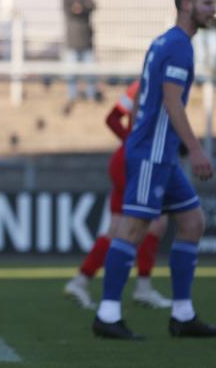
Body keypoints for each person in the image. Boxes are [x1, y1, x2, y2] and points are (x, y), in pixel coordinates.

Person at [92, 0, 216, 340]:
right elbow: (171, 101)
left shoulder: (165, 41)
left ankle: (182, 315)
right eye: (208, 3)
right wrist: (195, 149)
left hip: (159, 153)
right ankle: (107, 314)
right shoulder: (178, 46)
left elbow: (146, 101)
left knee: (192, 223)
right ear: (186, 5)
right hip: (152, 154)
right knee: (132, 230)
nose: (214, 10)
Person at [63, 80, 171, 310]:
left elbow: (113, 118)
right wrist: (135, 144)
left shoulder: (140, 86)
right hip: (134, 164)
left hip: (126, 161)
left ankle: (81, 281)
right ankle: (142, 288)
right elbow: (113, 119)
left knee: (119, 229)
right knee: (154, 223)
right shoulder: (151, 86)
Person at [62, 0, 100, 111]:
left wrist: (81, 8)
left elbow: (92, 6)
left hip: (86, 41)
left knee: (90, 71)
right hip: (72, 42)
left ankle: (91, 95)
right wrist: (82, 8)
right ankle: (72, 96)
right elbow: (72, 11)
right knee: (71, 72)